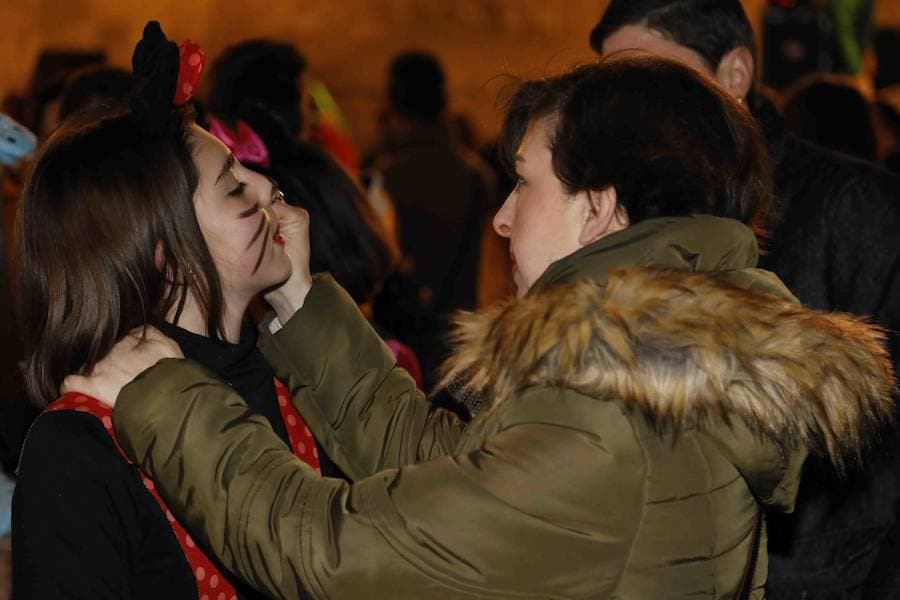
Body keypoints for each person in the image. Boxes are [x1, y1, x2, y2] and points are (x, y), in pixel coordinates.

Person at [71, 56, 894, 599]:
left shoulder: (616, 418)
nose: (500, 218)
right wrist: (300, 302)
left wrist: (164, 394)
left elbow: (330, 551)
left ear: (599, 206)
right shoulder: (660, 366)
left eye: (524, 183)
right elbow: (451, 476)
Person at [589, 2, 900, 597]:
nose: (620, 114)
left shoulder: (856, 205)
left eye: (648, 80)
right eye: (607, 87)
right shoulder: (634, 213)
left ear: (735, 74)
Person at [11, 22, 332, 599]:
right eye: (234, 189)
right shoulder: (79, 451)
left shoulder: (298, 375)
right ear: (166, 254)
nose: (266, 191)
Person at [367, 51, 496, 382]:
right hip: (463, 340)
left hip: (405, 347)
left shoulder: (390, 178)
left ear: (394, 106)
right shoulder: (477, 175)